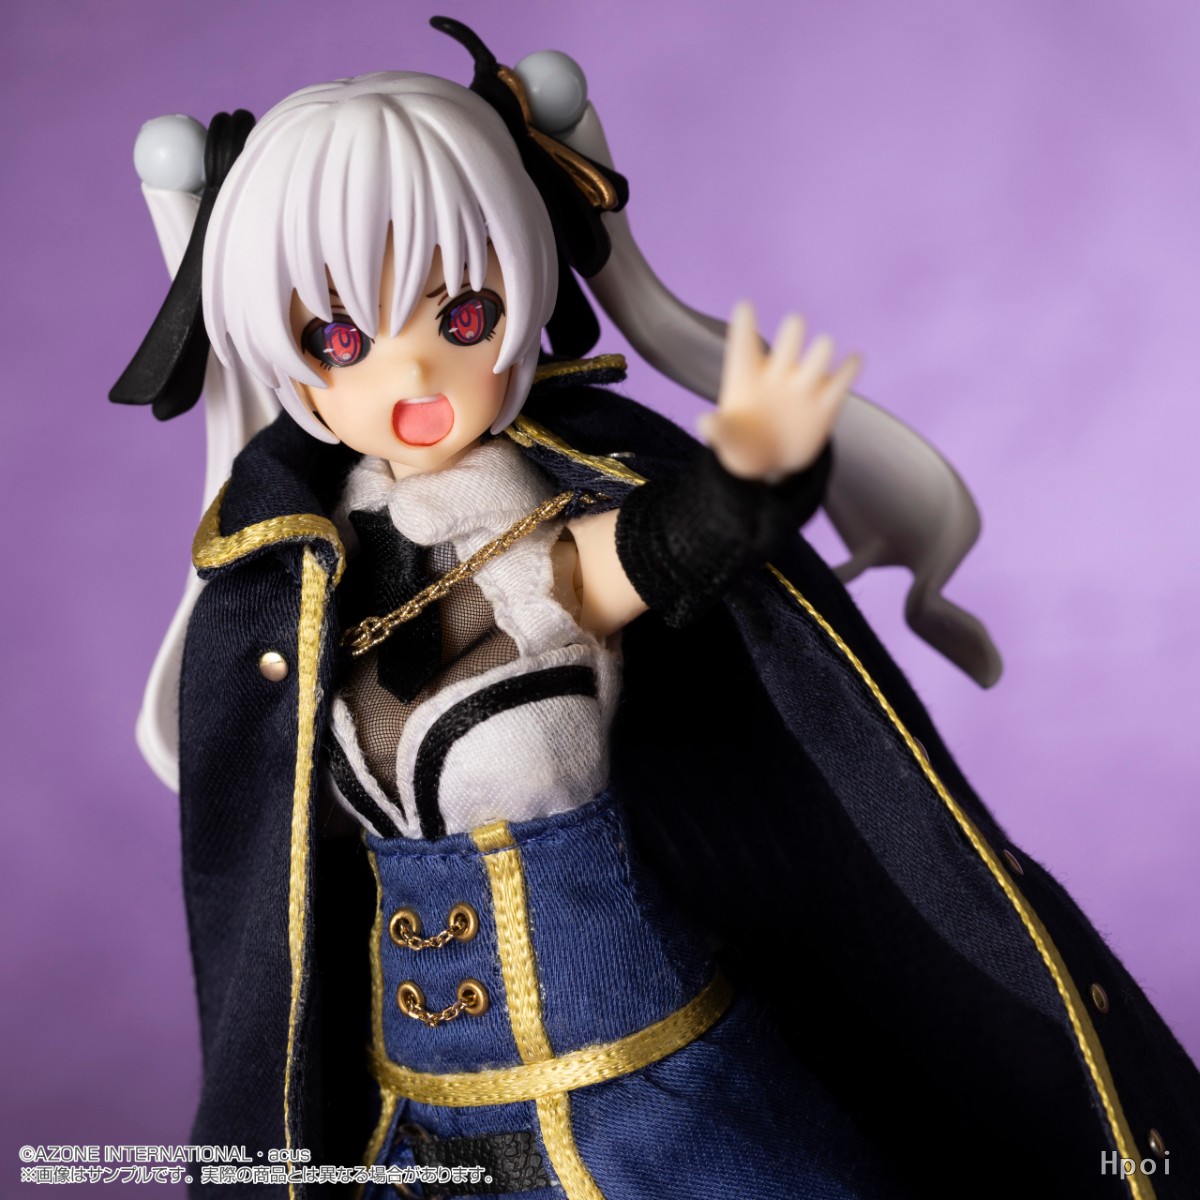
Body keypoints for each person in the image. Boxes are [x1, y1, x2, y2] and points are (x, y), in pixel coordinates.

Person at [112, 19, 1199, 1200]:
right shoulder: (296, 587)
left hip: (647, 1099)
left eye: (461, 316)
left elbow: (660, 549)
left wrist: (750, 477)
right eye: (339, 335)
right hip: (429, 1125)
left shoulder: (537, 543)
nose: (412, 372)